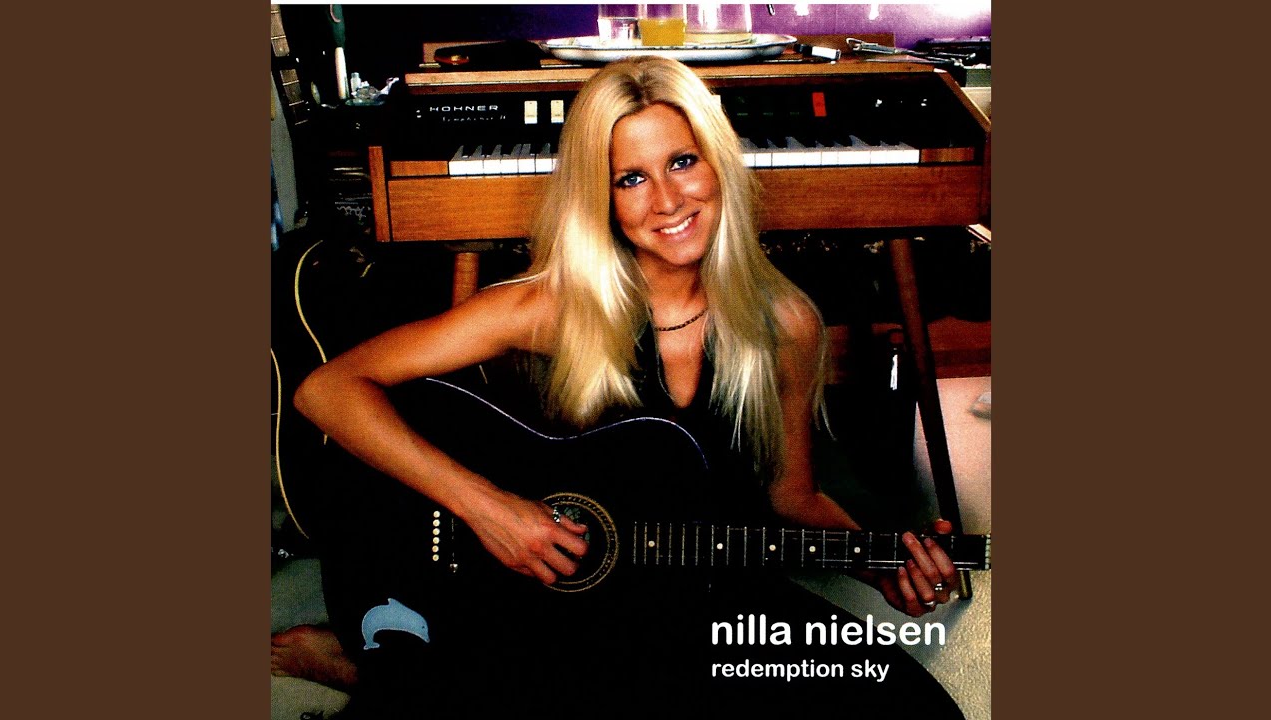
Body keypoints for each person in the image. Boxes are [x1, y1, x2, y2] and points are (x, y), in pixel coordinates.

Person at [276, 56, 965, 717]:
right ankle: (373, 668)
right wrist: (488, 508)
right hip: (571, 608)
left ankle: (395, 674)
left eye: (683, 162)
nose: (666, 200)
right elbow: (327, 390)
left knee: (917, 712)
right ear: (601, 199)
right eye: (630, 179)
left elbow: (794, 496)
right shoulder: (552, 308)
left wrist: (882, 562)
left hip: (711, 592)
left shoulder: (785, 324)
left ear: (719, 163)